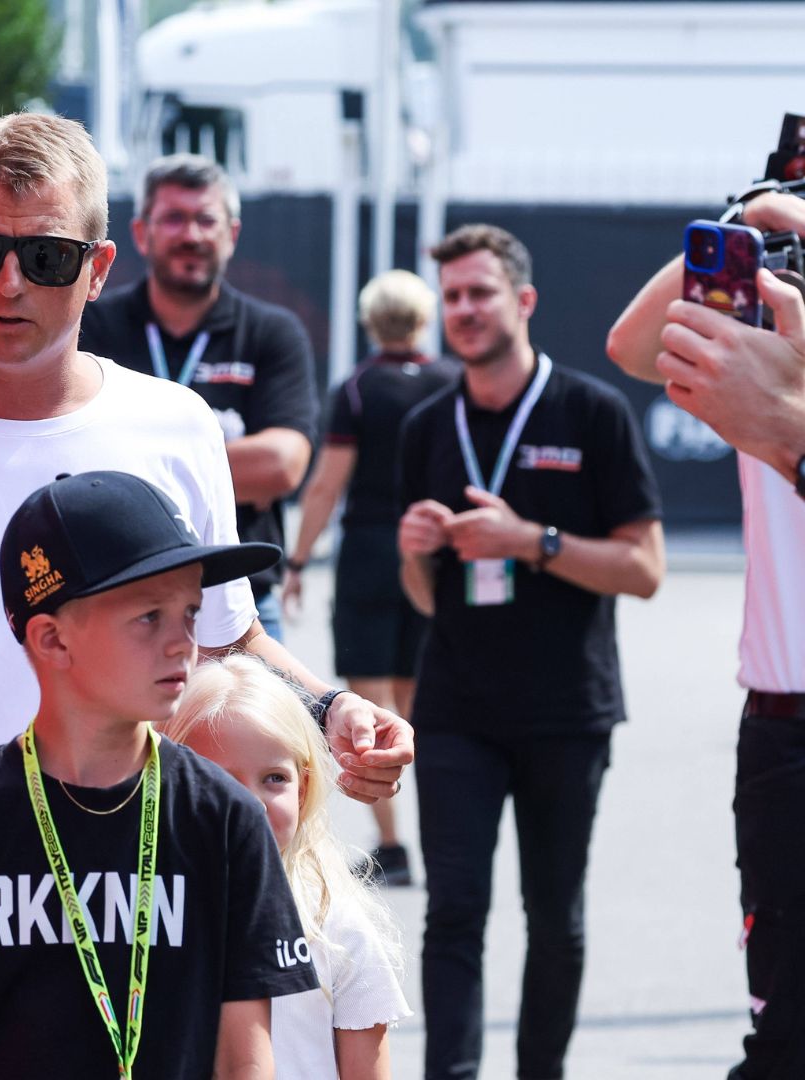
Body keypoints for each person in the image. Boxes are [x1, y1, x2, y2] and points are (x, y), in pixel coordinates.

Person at [0, 111, 415, 1079]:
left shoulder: (174, 427)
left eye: (47, 255)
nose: (7, 281)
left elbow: (224, 651)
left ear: (101, 267)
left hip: (142, 977)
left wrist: (331, 708)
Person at [0, 471, 315, 1079]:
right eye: (149, 617)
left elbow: (245, 1055)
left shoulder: (223, 817)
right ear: (52, 639)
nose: (182, 644)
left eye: (190, 613)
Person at [399, 224, 665, 1080]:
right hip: (456, 709)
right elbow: (423, 594)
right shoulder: (425, 425)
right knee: (453, 914)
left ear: (524, 301)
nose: (464, 311)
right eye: (451, 298)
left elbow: (646, 568)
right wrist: (415, 551)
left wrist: (531, 541)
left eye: (480, 293)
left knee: (555, 919)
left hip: (566, 708)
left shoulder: (592, 412)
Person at [607, 190, 805, 1078]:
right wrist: (745, 224)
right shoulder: (762, 328)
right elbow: (633, 346)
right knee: (783, 1035)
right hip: (782, 723)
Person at [79, 153, 318, 639]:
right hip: (115, 597)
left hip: (244, 604)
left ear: (231, 234)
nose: (191, 234)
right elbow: (74, 463)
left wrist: (130, 470)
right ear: (142, 234)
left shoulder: (271, 332)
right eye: (173, 219)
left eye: (205, 219)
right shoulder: (93, 326)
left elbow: (282, 465)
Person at [287, 269, 459, 887]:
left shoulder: (357, 389)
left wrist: (299, 559)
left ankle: (394, 847)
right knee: (421, 704)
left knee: (369, 705)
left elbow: (327, 484)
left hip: (366, 557)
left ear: (370, 322)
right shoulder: (452, 382)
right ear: (423, 318)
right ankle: (445, 838)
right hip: (432, 556)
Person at [167, 655, 413, 1080]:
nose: (250, 804)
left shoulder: (336, 926)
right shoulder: (142, 911)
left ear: (303, 788)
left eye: (274, 779)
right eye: (221, 780)